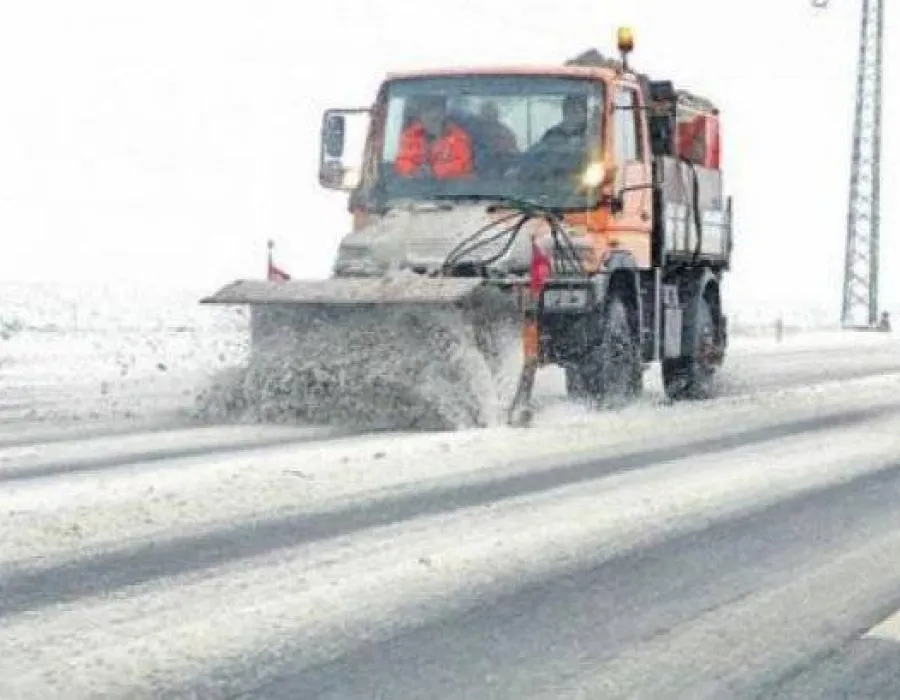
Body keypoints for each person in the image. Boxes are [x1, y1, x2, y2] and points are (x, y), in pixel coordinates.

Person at [393, 95, 474, 180]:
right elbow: (402, 160)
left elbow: (462, 165)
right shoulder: (410, 135)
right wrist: (414, 170)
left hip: (449, 186)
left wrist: (435, 171)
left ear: (444, 113)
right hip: (415, 185)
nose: (431, 115)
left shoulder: (460, 138)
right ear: (420, 115)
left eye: (435, 109)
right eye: (426, 110)